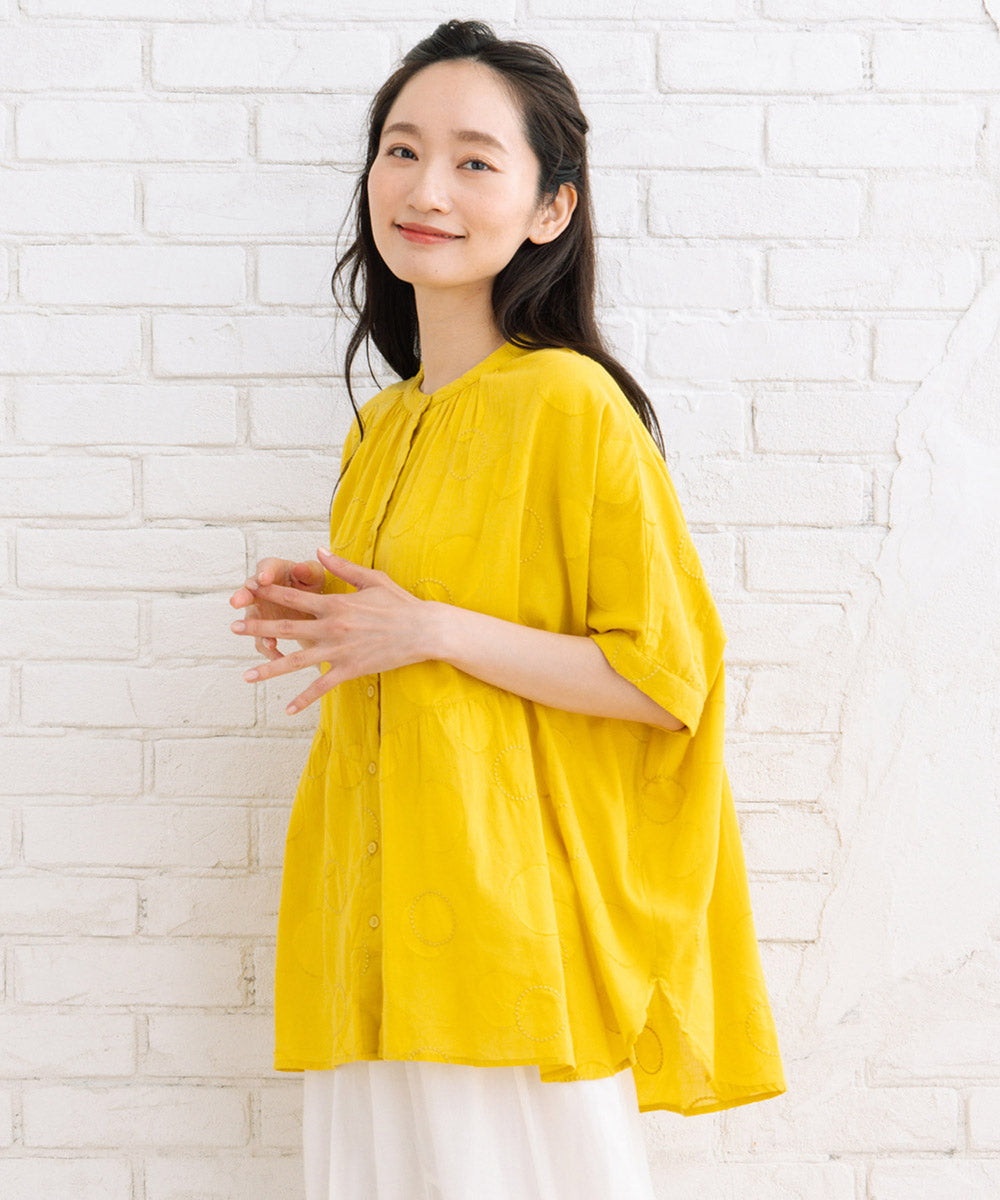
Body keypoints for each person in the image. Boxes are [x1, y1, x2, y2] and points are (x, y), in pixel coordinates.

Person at [229, 18, 786, 1199]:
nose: (425, 188)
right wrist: (329, 611)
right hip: (367, 914)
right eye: (400, 150)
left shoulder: (569, 404)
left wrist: (427, 628)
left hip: (499, 928)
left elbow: (664, 681)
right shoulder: (381, 427)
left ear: (550, 208)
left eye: (474, 160)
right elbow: (432, 641)